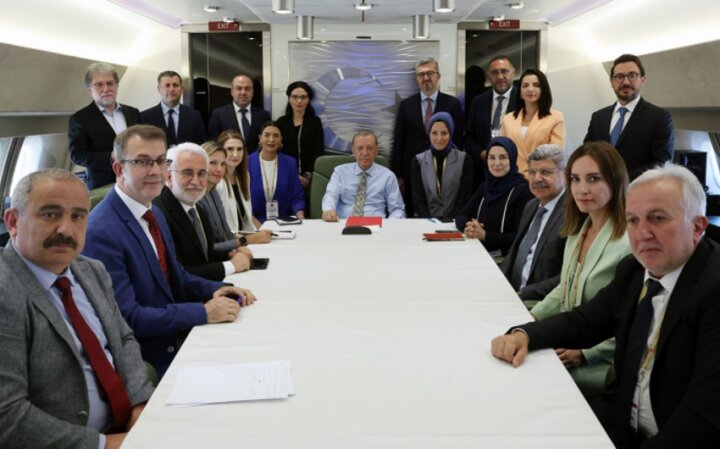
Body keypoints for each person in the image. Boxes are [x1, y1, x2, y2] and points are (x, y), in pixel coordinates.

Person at [491, 163, 720, 449]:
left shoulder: (713, 290)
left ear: (697, 226)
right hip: (620, 423)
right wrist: (524, 334)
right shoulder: (634, 271)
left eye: (658, 218)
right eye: (633, 221)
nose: (642, 233)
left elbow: (702, 418)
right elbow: (584, 322)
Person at [83, 125, 256, 377]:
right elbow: (128, 318)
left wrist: (216, 288)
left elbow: (177, 276)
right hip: (151, 357)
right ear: (119, 168)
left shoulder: (153, 214)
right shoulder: (101, 231)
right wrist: (203, 311)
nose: (155, 171)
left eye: (160, 161)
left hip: (176, 332)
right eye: (142, 161)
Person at [0, 168, 154, 449]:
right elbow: (7, 415)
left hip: (127, 428)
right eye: (50, 214)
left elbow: (123, 339)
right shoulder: (5, 291)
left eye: (78, 216)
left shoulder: (91, 270)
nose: (66, 229)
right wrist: (104, 444)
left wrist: (139, 405)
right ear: (13, 222)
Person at [527, 141, 632, 396]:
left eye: (593, 179)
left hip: (602, 362)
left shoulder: (629, 243)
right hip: (567, 338)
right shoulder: (578, 230)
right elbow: (566, 285)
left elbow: (634, 320)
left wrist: (585, 354)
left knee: (532, 382)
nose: (582, 189)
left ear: (615, 181)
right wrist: (534, 319)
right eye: (575, 179)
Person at [152, 143, 253, 282]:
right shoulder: (158, 213)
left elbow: (203, 257)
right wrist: (230, 266)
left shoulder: (198, 209)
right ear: (169, 177)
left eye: (201, 173)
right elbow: (175, 274)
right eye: (187, 173)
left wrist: (231, 255)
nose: (196, 181)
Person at [584, 54, 674, 180]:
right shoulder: (598, 117)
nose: (626, 82)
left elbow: (661, 163)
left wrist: (620, 180)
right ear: (611, 82)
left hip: (637, 193)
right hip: (599, 191)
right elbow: (587, 153)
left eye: (632, 76)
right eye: (619, 77)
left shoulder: (659, 117)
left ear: (643, 79)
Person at [392, 57, 464, 217]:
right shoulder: (406, 105)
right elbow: (398, 140)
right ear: (417, 79)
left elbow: (458, 139)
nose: (426, 78)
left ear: (438, 76)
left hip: (444, 169)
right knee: (414, 214)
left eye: (430, 73)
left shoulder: (452, 104)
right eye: (421, 74)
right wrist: (398, 175)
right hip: (412, 171)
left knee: (442, 213)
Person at [500, 144, 567, 302]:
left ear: (564, 174)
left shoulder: (573, 212)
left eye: (545, 172)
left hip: (538, 302)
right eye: (532, 172)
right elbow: (514, 252)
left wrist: (524, 294)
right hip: (511, 294)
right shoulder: (531, 205)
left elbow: (567, 276)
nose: (537, 178)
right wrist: (499, 282)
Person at [69, 62, 141, 189]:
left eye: (110, 83)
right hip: (103, 186)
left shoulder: (133, 112)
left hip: (136, 181)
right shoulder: (80, 118)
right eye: (99, 85)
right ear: (90, 90)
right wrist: (111, 156)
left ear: (117, 86)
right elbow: (77, 155)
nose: (106, 89)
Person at [456, 136, 532, 256]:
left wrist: (485, 235)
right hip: (479, 253)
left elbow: (521, 237)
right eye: (491, 158)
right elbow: (462, 215)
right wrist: (470, 227)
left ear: (512, 159)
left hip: (505, 261)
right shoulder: (486, 185)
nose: (496, 163)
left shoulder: (523, 191)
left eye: (503, 157)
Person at [199, 141, 267, 253]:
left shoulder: (213, 192)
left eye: (222, 164)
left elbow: (227, 233)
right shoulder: (196, 199)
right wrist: (246, 241)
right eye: (213, 163)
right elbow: (207, 249)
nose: (219, 169)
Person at [322, 130, 405, 221]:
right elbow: (331, 195)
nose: (365, 153)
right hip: (343, 223)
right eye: (360, 148)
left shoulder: (388, 176)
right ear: (353, 150)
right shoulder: (340, 172)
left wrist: (389, 227)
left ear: (376, 150)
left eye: (369, 148)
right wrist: (329, 210)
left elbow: (397, 209)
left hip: (376, 225)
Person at [466, 56, 518, 187]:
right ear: (488, 76)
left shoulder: (523, 100)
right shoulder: (478, 101)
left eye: (504, 71)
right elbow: (469, 137)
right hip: (483, 174)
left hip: (516, 171)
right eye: (495, 72)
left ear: (513, 73)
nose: (500, 76)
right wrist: (482, 154)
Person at [410, 112, 473, 221]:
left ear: (451, 134)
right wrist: (429, 222)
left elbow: (464, 198)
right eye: (434, 133)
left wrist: (450, 221)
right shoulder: (418, 161)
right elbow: (418, 201)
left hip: (454, 221)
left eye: (444, 133)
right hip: (426, 222)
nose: (439, 138)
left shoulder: (465, 160)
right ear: (429, 134)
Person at [501, 68, 565, 174]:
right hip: (513, 176)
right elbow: (503, 150)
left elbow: (555, 154)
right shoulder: (508, 119)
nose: (530, 89)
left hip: (541, 175)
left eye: (536, 85)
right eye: (525, 85)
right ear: (520, 92)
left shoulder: (555, 117)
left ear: (543, 90)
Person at [216, 130, 271, 243]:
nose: (235, 154)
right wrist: (252, 239)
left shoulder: (244, 176)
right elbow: (220, 228)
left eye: (239, 149)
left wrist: (262, 231)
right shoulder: (217, 182)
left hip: (245, 238)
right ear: (220, 151)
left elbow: (247, 216)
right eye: (230, 149)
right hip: (232, 243)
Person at [276, 81, 325, 201]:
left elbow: (318, 150)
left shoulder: (314, 122)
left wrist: (308, 175)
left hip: (310, 179)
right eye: (295, 97)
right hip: (286, 176)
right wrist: (294, 176)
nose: (299, 101)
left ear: (308, 100)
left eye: (303, 97)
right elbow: (278, 152)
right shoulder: (281, 122)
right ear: (289, 98)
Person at [248, 121, 306, 222]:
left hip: (283, 221)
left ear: (281, 139)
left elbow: (297, 196)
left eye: (276, 135)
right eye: (267, 135)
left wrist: (299, 212)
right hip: (254, 222)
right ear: (260, 138)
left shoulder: (290, 163)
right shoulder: (247, 162)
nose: (271, 140)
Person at [207, 73, 271, 151]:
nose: (243, 92)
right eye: (239, 88)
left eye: (247, 89)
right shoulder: (219, 114)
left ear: (253, 92)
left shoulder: (263, 115)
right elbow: (213, 143)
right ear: (232, 92)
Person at [140, 70, 206, 146]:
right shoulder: (145, 117)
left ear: (182, 89)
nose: (171, 89)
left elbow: (202, 145)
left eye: (175, 85)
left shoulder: (194, 116)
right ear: (159, 89)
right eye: (167, 85)